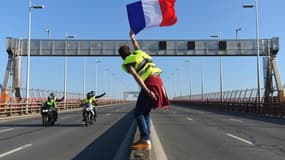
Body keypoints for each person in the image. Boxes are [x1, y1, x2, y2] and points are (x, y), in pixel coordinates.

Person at [118, 30, 170, 150]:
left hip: (150, 83)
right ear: (130, 51)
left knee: (138, 112)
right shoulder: (139, 53)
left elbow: (137, 77)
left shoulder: (128, 63)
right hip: (158, 80)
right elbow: (136, 45)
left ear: (122, 57)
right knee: (145, 112)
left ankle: (145, 139)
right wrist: (132, 37)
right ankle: (146, 139)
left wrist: (147, 91)